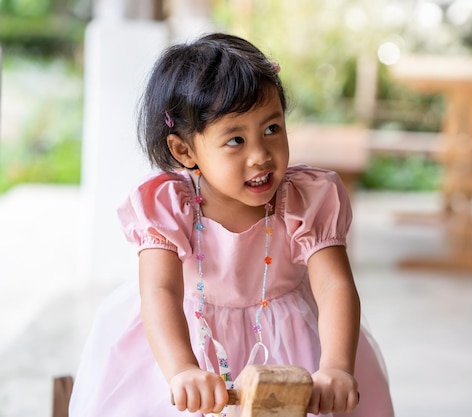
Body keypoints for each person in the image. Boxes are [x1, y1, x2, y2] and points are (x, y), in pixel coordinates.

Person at [69, 32, 394, 417]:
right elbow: (160, 291)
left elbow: (335, 285)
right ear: (185, 150)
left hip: (290, 346)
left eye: (272, 129)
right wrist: (182, 369)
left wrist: (337, 366)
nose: (261, 156)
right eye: (236, 140)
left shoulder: (306, 199)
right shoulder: (170, 205)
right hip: (184, 341)